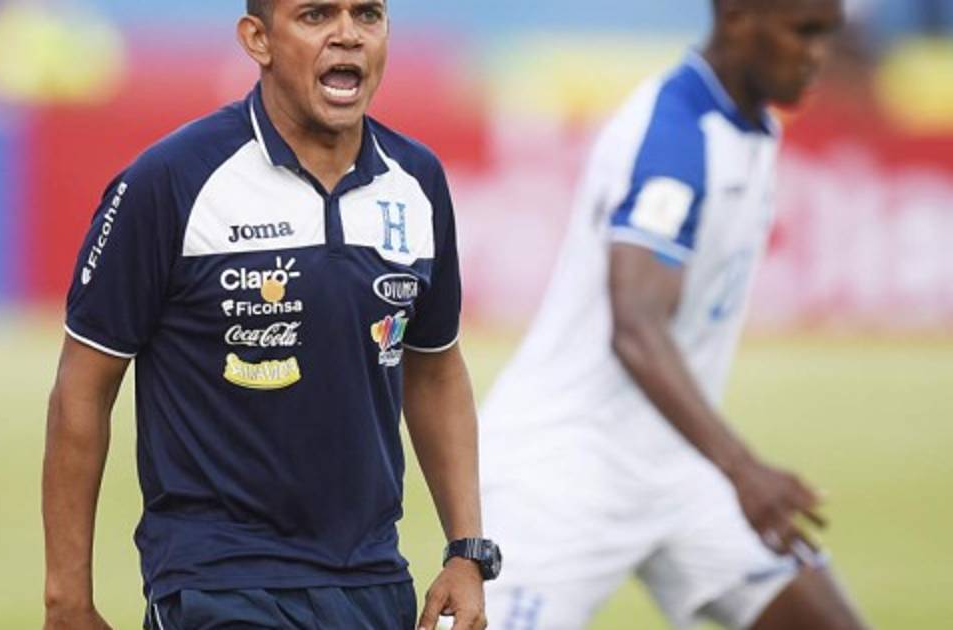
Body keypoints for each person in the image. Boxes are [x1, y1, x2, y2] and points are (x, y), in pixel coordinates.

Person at [42, 2, 500, 629]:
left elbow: (436, 370)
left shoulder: (415, 181)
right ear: (257, 39)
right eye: (316, 15)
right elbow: (83, 386)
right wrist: (67, 600)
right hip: (219, 583)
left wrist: (467, 552)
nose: (347, 35)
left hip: (371, 582)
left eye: (367, 15)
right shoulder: (172, 180)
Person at [479, 1, 868, 629]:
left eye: (828, 34)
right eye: (804, 32)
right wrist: (743, 469)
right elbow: (636, 328)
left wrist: (725, 471)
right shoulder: (676, 135)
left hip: (681, 468)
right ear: (737, 17)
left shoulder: (752, 124)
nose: (819, 55)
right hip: (563, 471)